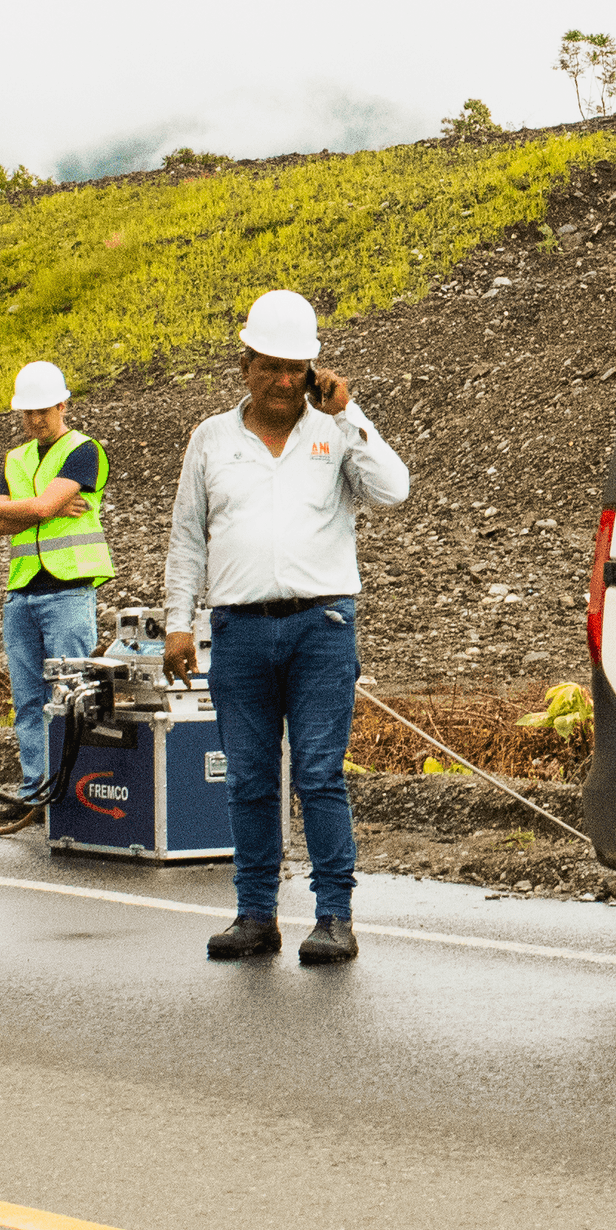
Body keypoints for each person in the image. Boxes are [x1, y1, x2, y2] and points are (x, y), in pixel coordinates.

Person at [162, 290, 411, 964]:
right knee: (247, 776)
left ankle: (334, 916)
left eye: (295, 368)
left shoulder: (336, 432)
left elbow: (394, 490)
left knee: (319, 773)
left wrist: (349, 412)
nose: (281, 381)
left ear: (312, 371)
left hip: (320, 627)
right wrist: (179, 623)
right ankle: (255, 915)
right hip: (238, 629)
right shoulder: (211, 439)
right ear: (244, 365)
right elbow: (188, 538)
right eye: (269, 366)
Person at [0, 358, 110, 816]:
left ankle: (76, 793)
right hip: (22, 592)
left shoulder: (84, 450)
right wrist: (28, 508)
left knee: (73, 697)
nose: (35, 419)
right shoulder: (16, 458)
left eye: (43, 410)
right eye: (28, 412)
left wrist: (20, 508)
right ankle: (36, 792)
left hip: (69, 591)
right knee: (29, 699)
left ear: (62, 406)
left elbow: (30, 510)